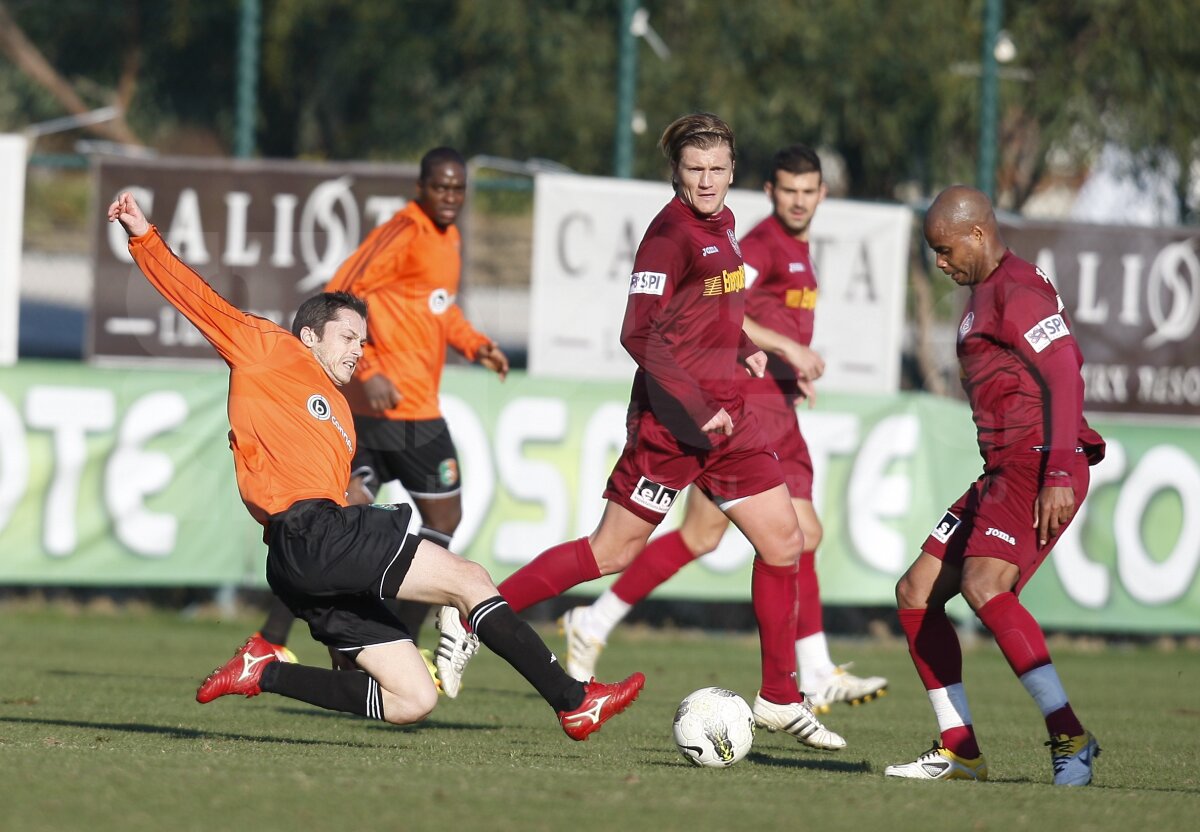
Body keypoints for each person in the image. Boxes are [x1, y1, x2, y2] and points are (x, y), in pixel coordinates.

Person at [107, 192, 643, 741]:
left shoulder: (340, 408)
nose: (359, 350)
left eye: (364, 342)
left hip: (301, 556)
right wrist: (143, 235)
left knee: (412, 698)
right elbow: (197, 299)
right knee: (470, 579)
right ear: (310, 335)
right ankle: (573, 701)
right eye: (348, 337)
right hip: (309, 534)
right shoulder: (270, 349)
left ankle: (263, 671)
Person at [435, 113, 845, 751]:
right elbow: (638, 330)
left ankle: (779, 697)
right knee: (610, 553)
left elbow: (709, 306)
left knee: (784, 541)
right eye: (694, 169)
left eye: (716, 169)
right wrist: (692, 401)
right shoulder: (668, 236)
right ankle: (471, 616)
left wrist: (742, 345)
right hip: (672, 426)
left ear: (733, 170)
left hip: (729, 420)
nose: (706, 181)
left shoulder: (726, 223)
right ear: (675, 173)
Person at [555, 144, 887, 713]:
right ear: (769, 190)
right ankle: (811, 672)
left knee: (708, 536)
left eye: (809, 191)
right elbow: (728, 313)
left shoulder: (777, 244)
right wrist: (783, 350)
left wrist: (789, 365)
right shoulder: (755, 244)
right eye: (789, 190)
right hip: (741, 405)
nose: (800, 201)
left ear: (823, 194)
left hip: (768, 399)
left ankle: (595, 618)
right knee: (793, 534)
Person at [226, 147, 509, 685]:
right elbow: (345, 287)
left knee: (355, 509)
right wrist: (369, 365)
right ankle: (398, 638)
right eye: (441, 188)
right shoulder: (402, 230)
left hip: (414, 406)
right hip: (389, 408)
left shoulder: (447, 239)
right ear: (421, 186)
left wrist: (475, 345)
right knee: (412, 517)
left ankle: (279, 638)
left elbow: (437, 306)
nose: (450, 198)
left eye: (458, 189)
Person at [884, 185, 1105, 785]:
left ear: (977, 233)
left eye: (944, 248)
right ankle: (961, 749)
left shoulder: (1016, 289)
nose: (940, 261)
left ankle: (1071, 737)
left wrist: (1059, 469)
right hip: (1002, 468)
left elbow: (1065, 372)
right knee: (916, 591)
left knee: (985, 585)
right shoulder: (986, 293)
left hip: (1037, 461)